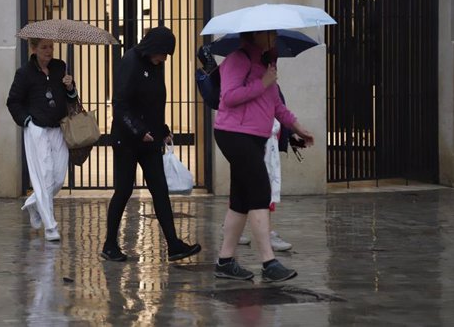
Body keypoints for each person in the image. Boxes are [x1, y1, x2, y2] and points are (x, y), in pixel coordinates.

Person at [213, 30, 313, 282]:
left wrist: (297, 127)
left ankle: (225, 262)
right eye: (269, 33)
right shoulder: (238, 59)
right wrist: (263, 82)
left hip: (254, 137)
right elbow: (229, 97)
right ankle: (269, 262)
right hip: (233, 134)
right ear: (255, 34)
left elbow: (276, 105)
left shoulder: (266, 63)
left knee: (241, 199)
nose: (273, 37)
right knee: (260, 192)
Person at [102, 26, 201, 262]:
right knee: (123, 190)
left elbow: (154, 103)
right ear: (153, 48)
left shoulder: (156, 66)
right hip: (127, 140)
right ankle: (109, 245)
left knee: (160, 191)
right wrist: (138, 131)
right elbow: (120, 104)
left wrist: (162, 130)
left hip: (150, 140)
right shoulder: (130, 62)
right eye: (163, 53)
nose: (165, 58)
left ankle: (174, 245)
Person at [7, 38, 77, 242]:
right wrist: (26, 121)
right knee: (44, 176)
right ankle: (51, 227)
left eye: (51, 47)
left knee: (58, 179)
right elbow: (13, 101)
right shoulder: (24, 73)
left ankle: (34, 203)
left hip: (58, 127)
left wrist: (70, 86)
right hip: (37, 129)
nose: (49, 51)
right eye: (44, 47)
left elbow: (72, 98)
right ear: (34, 48)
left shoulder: (59, 67)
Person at [238, 117, 294, 251]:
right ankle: (266, 238)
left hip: (267, 145)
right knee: (252, 193)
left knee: (250, 192)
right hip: (256, 144)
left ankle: (233, 234)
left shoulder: (273, 95)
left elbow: (281, 112)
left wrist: (291, 134)